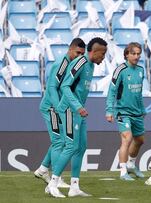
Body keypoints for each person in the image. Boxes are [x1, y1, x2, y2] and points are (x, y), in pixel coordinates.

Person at [46, 37, 107, 198]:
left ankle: (74, 187)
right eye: (102, 53)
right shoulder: (80, 62)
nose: (104, 57)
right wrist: (77, 106)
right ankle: (52, 184)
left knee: (81, 147)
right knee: (71, 146)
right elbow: (65, 85)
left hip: (79, 111)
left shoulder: (91, 65)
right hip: (69, 109)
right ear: (93, 51)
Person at [34, 38, 86, 189]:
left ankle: (43, 169)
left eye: (82, 54)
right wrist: (58, 108)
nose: (79, 57)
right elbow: (51, 88)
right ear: (70, 49)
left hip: (56, 107)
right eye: (77, 53)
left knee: (62, 140)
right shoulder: (62, 64)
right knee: (59, 142)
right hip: (51, 107)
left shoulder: (71, 64)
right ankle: (57, 179)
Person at [105, 42, 146, 181]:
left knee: (140, 140)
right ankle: (123, 172)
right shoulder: (120, 70)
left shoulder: (141, 70)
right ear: (126, 55)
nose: (136, 56)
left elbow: (139, 92)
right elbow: (112, 91)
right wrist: (109, 110)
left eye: (138, 54)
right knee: (127, 138)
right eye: (133, 53)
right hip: (122, 112)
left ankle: (131, 165)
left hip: (136, 112)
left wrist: (142, 109)